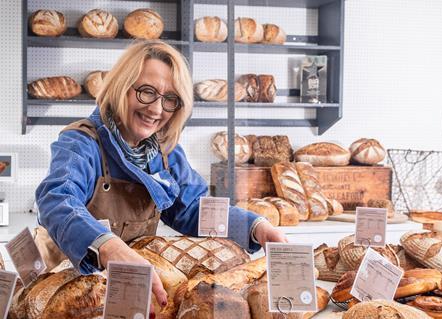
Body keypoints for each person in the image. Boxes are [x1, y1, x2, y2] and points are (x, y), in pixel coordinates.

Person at [35, 40, 287, 309]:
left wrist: (255, 226)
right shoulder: (83, 142)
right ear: (121, 87)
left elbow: (193, 209)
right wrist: (108, 247)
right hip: (67, 288)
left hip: (129, 288)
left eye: (169, 99)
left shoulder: (165, 153)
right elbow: (57, 200)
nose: (156, 109)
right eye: (146, 92)